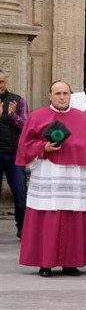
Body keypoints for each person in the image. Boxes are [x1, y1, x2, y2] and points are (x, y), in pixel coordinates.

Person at [16, 80, 86, 277]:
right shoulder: (37, 116)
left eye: (65, 93)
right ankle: (45, 263)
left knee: (74, 218)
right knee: (47, 218)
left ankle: (70, 263)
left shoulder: (82, 119)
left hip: (74, 177)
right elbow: (24, 145)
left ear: (70, 95)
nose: (62, 97)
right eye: (58, 93)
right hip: (48, 174)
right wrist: (43, 147)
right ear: (50, 95)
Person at [0, 70, 29, 239]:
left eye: (2, 82)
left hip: (14, 154)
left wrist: (12, 117)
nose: (0, 85)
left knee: (20, 191)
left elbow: (26, 126)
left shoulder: (18, 100)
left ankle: (23, 227)